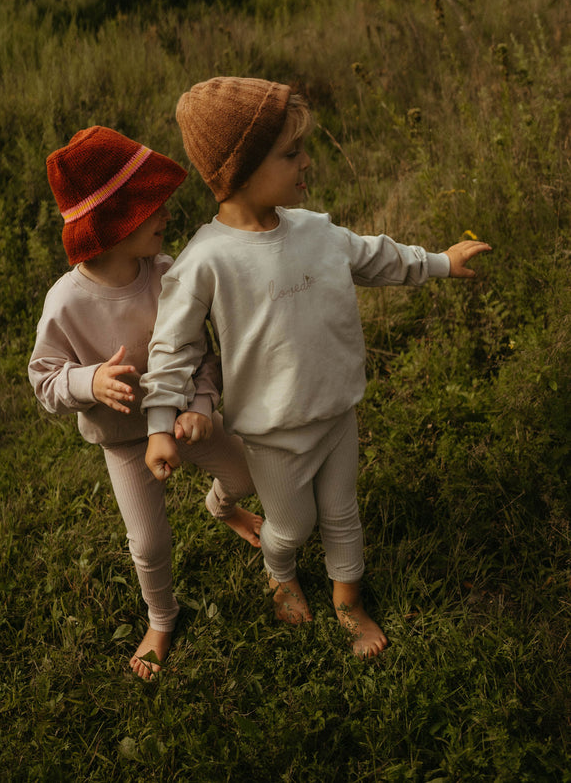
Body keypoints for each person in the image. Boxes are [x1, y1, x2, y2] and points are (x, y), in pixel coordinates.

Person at [141, 76, 491, 658]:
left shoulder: (316, 230)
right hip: (274, 433)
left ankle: (349, 602)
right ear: (242, 171)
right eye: (291, 152)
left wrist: (437, 262)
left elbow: (375, 256)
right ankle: (281, 573)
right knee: (292, 528)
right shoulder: (207, 259)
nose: (307, 161)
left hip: (336, 411)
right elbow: (173, 347)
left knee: (343, 513)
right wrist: (159, 422)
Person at [28, 125, 262, 678]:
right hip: (125, 443)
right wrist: (89, 383)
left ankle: (223, 509)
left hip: (184, 418)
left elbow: (201, 349)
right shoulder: (66, 303)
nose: (165, 214)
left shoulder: (167, 274)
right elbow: (44, 381)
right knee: (150, 542)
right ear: (112, 224)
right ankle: (161, 616)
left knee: (246, 476)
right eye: (150, 205)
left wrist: (201, 405)